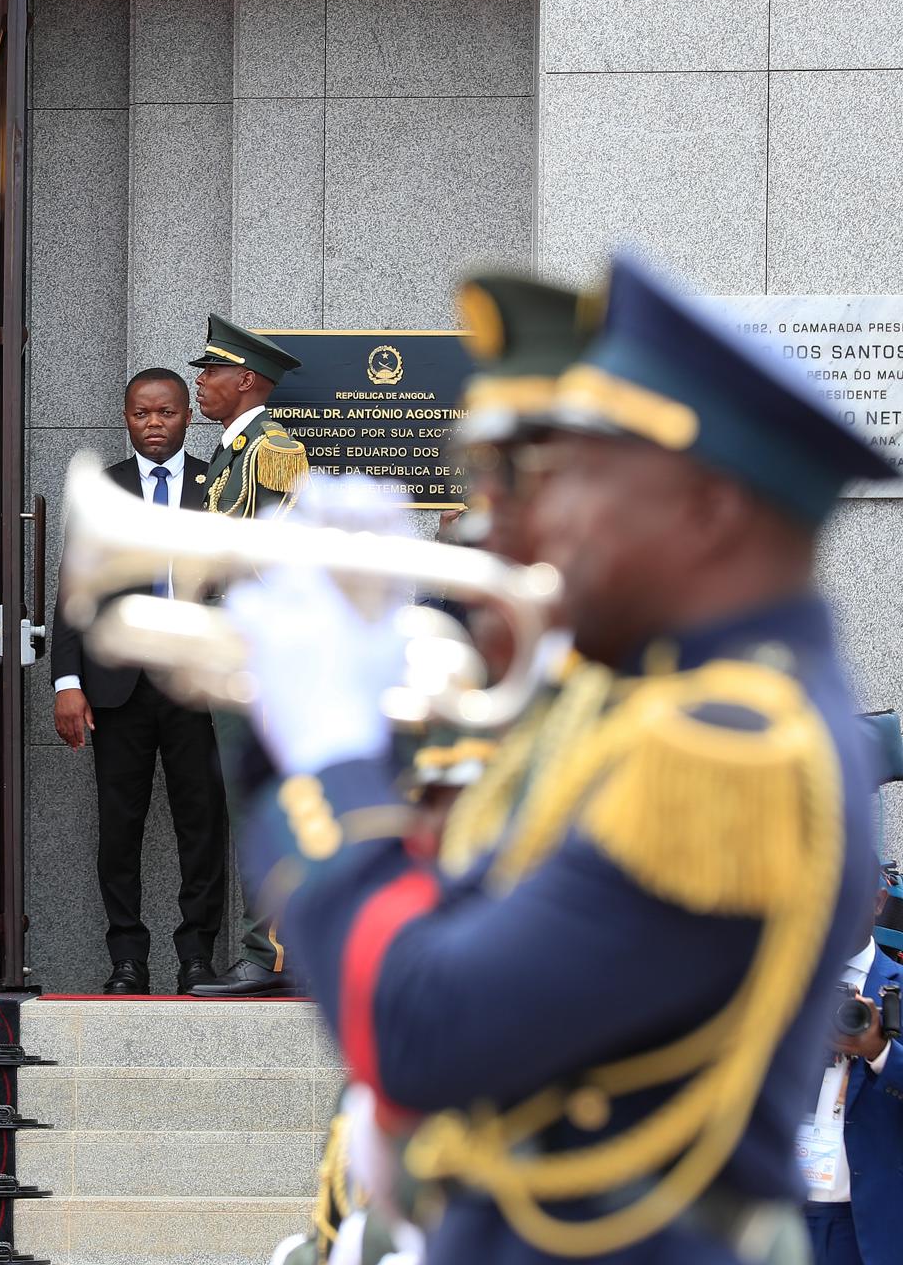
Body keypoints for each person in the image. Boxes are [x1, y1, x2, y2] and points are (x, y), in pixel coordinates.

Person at [237, 254, 891, 1262]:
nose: (543, 517)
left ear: (708, 507)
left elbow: (422, 1028)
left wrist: (328, 754)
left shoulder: (723, 747)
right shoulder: (696, 708)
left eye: (579, 479)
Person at [49, 367, 226, 995]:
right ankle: (127, 958)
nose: (153, 425)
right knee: (119, 825)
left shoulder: (220, 485)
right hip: (117, 685)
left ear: (187, 415)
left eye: (166, 413)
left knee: (201, 821)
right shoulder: (106, 490)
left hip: (196, 681)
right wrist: (66, 681)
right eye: (140, 414)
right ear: (126, 418)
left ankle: (197, 955)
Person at [183, 313, 309, 999]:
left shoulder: (270, 451)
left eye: (212, 372)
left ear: (248, 380)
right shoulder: (236, 452)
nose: (201, 383)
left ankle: (275, 953)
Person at [800, 870, 903, 1265]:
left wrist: (879, 1050)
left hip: (869, 1226)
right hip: (780, 1216)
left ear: (878, 901)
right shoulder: (780, 984)